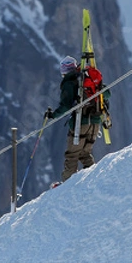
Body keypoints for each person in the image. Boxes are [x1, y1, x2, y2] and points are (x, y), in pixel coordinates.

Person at [45, 55, 107, 183]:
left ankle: (67, 184)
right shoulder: (87, 79)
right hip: (95, 122)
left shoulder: (69, 82)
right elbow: (107, 93)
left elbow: (66, 106)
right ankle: (94, 179)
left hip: (81, 123)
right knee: (85, 153)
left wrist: (53, 115)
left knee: (72, 155)